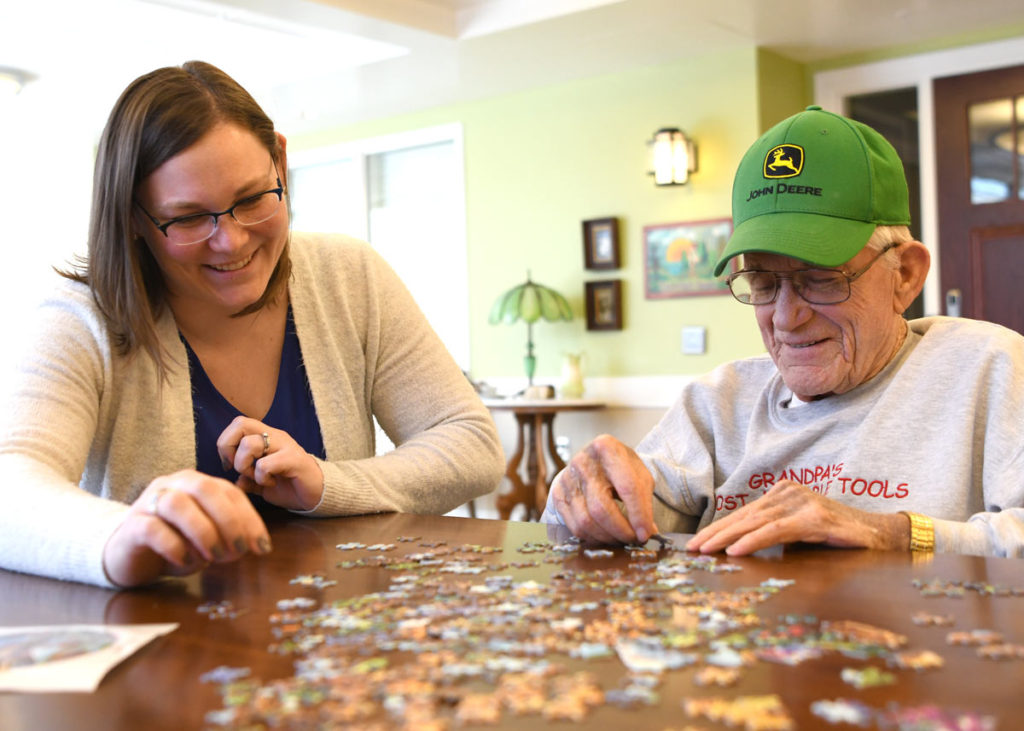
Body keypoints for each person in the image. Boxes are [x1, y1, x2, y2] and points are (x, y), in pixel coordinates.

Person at [0, 61, 504, 589]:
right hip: (162, 654)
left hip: (334, 646)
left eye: (251, 199)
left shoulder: (349, 276)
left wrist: (327, 484)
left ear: (280, 164)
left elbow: (470, 444)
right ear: (132, 216)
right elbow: (10, 487)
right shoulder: (81, 318)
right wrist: (120, 535)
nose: (232, 240)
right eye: (190, 218)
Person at [543, 105, 1024, 558]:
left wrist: (886, 532)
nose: (786, 317)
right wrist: (594, 496)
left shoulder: (988, 366)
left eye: (822, 279)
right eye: (763, 283)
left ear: (905, 275)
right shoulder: (718, 403)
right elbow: (623, 517)